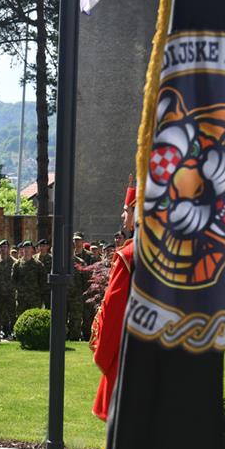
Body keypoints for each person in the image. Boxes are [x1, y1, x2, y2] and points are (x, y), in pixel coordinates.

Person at [91, 180, 136, 421]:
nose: (123, 215)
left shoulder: (128, 255)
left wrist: (103, 354)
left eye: (127, 209)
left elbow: (113, 311)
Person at [11, 241, 44, 317]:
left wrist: (40, 295)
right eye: (25, 248)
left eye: (28, 248)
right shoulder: (17, 264)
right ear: (22, 250)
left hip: (35, 298)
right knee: (21, 317)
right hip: (22, 298)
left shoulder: (38, 265)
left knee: (35, 318)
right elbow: (13, 280)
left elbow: (42, 281)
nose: (26, 250)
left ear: (32, 250)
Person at [0, 240, 16, 340]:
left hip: (10, 292)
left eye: (5, 247)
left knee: (12, 313)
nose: (3, 249)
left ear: (8, 248)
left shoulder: (14, 262)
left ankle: (14, 333)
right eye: (2, 247)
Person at [34, 239, 52, 308]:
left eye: (44, 246)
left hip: (48, 288)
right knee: (36, 308)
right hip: (36, 288)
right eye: (41, 246)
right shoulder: (34, 258)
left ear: (47, 247)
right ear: (38, 247)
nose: (42, 248)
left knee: (48, 308)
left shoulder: (52, 258)